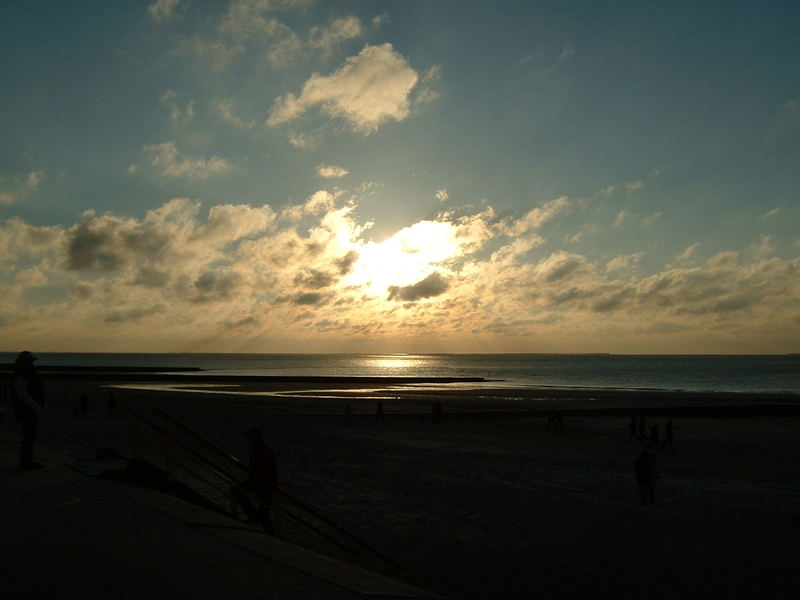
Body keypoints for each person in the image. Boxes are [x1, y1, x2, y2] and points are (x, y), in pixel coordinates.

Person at [233, 427, 278, 533]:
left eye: (250, 436)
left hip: (264, 483)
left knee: (263, 512)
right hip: (264, 483)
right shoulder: (258, 450)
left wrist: (258, 481)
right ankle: (267, 531)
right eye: (248, 437)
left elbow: (264, 470)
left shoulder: (260, 451)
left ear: (256, 437)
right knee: (263, 512)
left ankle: (254, 518)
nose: (248, 439)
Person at [11, 351, 46, 469]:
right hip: (26, 410)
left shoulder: (26, 374)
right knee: (29, 435)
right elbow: (22, 395)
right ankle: (26, 461)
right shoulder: (20, 376)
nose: (32, 364)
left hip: (29, 409)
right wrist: (36, 407)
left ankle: (27, 460)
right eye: (30, 361)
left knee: (30, 434)